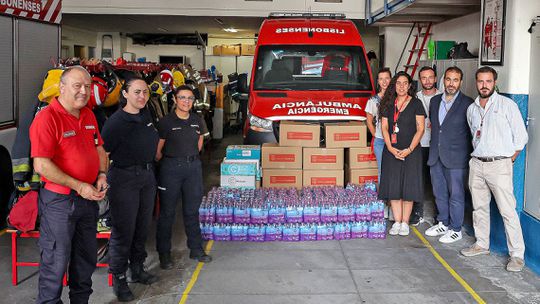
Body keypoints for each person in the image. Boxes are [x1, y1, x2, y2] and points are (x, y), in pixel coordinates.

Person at [30, 66, 109, 303]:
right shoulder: (46, 118)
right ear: (62, 87)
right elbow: (41, 166)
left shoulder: (88, 115)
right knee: (55, 263)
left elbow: (99, 148)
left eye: (87, 86)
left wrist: (102, 174)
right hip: (59, 203)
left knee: (85, 262)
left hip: (87, 200)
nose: (83, 91)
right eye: (77, 86)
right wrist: (78, 185)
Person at [461, 66, 528, 272]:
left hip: (499, 164)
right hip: (477, 163)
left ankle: (517, 255)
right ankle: (482, 244)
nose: (484, 85)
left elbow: (521, 138)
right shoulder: (472, 109)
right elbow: (475, 136)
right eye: (480, 81)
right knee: (479, 207)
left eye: (488, 81)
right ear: (476, 83)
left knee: (508, 210)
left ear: (495, 82)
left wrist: (509, 160)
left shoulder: (507, 105)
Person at [101, 77, 160, 301]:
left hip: (146, 176)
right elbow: (104, 154)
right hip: (124, 178)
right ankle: (119, 278)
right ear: (125, 94)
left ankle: (137, 269)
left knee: (142, 227)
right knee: (123, 231)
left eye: (145, 92)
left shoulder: (146, 115)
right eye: (136, 92)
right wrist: (103, 178)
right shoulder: (116, 122)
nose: (142, 96)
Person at [156, 85, 212, 269]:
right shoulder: (166, 122)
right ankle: (164, 253)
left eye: (189, 98)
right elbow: (158, 151)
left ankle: (195, 248)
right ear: (174, 99)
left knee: (192, 211)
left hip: (192, 168)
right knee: (167, 213)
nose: (186, 101)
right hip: (170, 168)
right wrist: (171, 161)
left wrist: (190, 158)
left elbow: (199, 142)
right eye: (182, 97)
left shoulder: (197, 120)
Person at [424, 67, 473, 243]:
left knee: (456, 195)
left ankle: (456, 228)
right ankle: (443, 223)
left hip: (457, 158)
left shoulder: (468, 103)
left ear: (461, 82)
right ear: (443, 80)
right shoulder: (435, 101)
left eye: (455, 80)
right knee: (439, 193)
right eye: (448, 79)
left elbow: (472, 132)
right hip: (436, 155)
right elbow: (437, 128)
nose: (451, 83)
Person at [378, 71, 426, 236]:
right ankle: (397, 221)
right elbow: (384, 127)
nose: (402, 86)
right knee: (394, 187)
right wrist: (391, 148)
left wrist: (410, 149)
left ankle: (405, 222)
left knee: (408, 187)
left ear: (410, 85)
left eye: (405, 83)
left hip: (411, 152)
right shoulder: (387, 104)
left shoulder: (416, 104)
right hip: (391, 151)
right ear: (394, 85)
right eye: (398, 83)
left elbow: (421, 128)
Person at [411, 66, 442, 226]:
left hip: (437, 145)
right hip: (419, 144)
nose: (427, 81)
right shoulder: (415, 98)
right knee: (418, 179)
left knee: (438, 181)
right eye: (424, 77)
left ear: (436, 79)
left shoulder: (443, 97)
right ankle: (417, 213)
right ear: (420, 79)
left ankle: (440, 216)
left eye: (430, 77)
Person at [365, 67, 392, 179]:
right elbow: (369, 121)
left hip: (396, 139)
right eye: (381, 79)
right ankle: (383, 195)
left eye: (387, 78)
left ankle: (394, 195)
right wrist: (376, 135)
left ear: (391, 80)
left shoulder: (397, 98)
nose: (384, 81)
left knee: (395, 169)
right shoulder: (373, 100)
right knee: (382, 170)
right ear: (378, 81)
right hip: (380, 140)